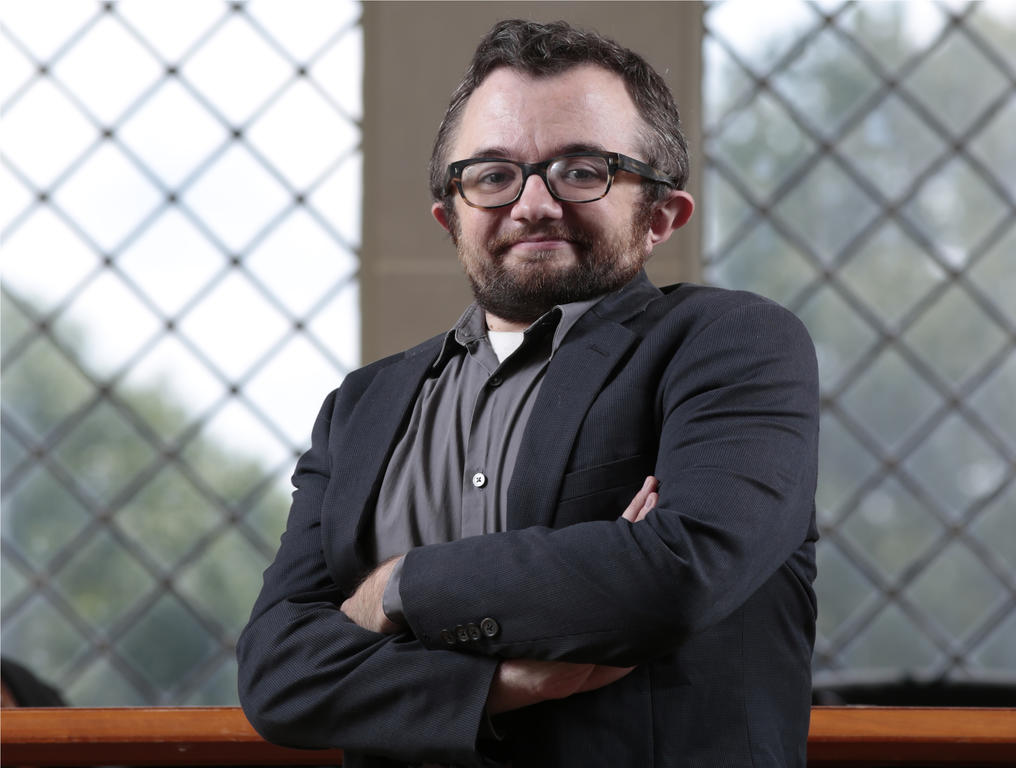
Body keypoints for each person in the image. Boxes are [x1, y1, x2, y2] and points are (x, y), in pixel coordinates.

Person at [237, 19, 819, 768]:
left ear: (661, 216)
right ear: (452, 216)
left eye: (582, 171)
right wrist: (506, 685)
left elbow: (677, 575)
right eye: (492, 174)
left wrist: (399, 587)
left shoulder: (732, 345)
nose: (533, 203)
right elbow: (278, 677)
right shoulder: (360, 406)